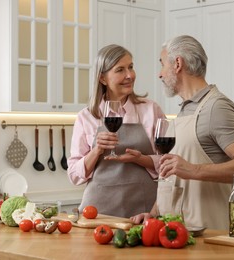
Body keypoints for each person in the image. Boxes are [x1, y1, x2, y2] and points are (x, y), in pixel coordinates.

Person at [130, 35, 234, 230]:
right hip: (177, 234)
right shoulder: (185, 109)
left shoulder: (217, 108)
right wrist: (153, 214)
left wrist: (194, 170)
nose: (160, 74)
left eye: (162, 65)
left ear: (177, 63)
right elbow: (173, 178)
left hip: (210, 237)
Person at [67, 44, 165, 218]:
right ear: (103, 78)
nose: (129, 75)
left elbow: (169, 162)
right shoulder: (86, 117)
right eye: (120, 70)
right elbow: (74, 175)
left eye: (131, 67)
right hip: (98, 213)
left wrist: (141, 159)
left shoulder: (151, 110)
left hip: (144, 211)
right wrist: (96, 151)